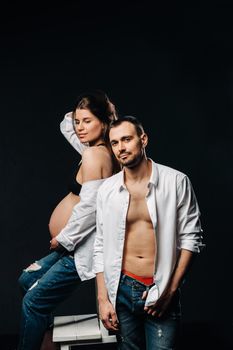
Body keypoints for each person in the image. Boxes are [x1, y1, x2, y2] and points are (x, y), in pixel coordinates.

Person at [17, 90, 120, 350]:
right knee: (26, 280)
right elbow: (66, 126)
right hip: (72, 246)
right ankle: (43, 335)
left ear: (103, 122)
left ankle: (37, 344)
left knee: (33, 301)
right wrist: (103, 111)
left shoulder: (93, 155)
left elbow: (90, 210)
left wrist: (64, 239)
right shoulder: (98, 149)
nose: (79, 127)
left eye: (87, 121)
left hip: (78, 249)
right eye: (78, 121)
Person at [93, 116, 204, 350]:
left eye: (126, 139)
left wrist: (170, 291)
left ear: (143, 139)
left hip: (160, 287)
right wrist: (103, 299)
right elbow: (100, 245)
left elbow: (191, 239)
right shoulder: (107, 190)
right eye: (114, 143)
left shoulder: (176, 181)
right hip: (121, 288)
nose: (121, 148)